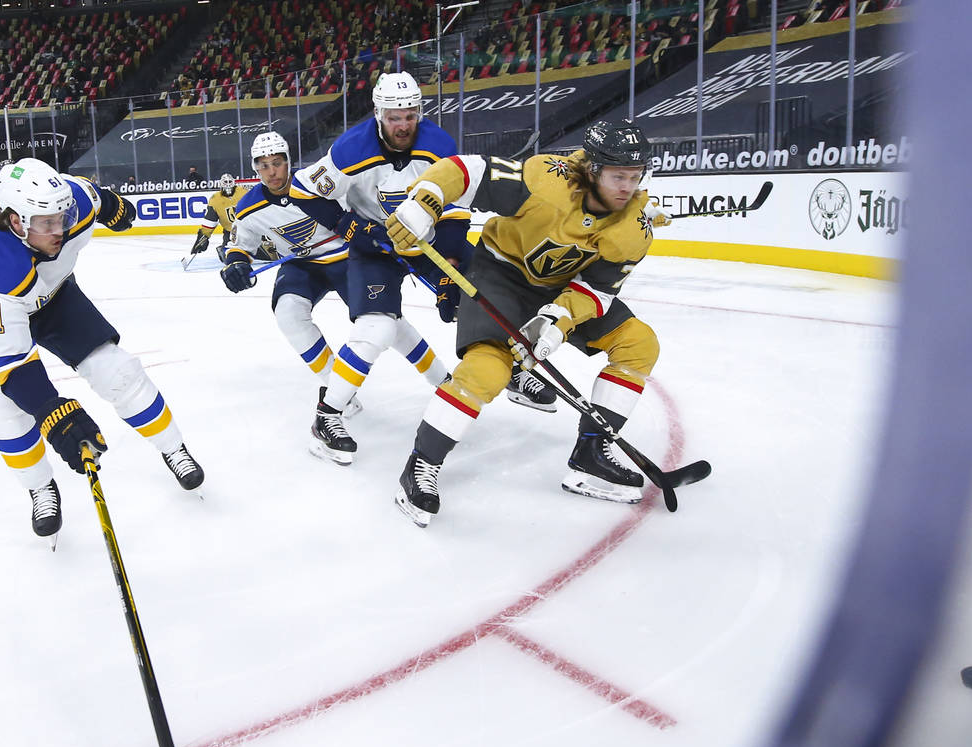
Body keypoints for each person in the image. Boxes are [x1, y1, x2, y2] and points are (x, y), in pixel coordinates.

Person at [384, 119, 672, 527]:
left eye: (635, 177)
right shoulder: (546, 181)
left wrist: (558, 321)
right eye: (617, 176)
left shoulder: (633, 231)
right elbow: (468, 171)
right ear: (591, 170)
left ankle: (590, 453)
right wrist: (424, 201)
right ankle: (420, 464)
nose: (627, 188)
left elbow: (598, 289)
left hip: (559, 290)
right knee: (487, 370)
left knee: (639, 343)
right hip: (500, 275)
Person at [0, 158, 204, 545]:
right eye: (46, 223)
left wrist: (113, 206)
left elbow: (96, 197)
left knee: (117, 371)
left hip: (50, 295)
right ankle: (39, 487)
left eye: (63, 216)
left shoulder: (73, 201)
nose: (60, 229)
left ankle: (173, 447)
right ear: (15, 221)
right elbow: (13, 364)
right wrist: (52, 414)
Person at [219, 132, 450, 455]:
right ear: (255, 169)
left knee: (390, 324)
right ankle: (337, 389)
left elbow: (359, 205)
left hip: (348, 259)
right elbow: (239, 246)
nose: (272, 172)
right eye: (264, 166)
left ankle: (442, 381)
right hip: (304, 266)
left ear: (288, 161)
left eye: (278, 163)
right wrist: (235, 265)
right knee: (288, 313)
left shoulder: (316, 182)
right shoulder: (248, 207)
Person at [286, 71, 474, 465]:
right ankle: (328, 415)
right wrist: (347, 225)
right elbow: (302, 190)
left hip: (428, 238)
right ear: (378, 114)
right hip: (374, 245)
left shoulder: (439, 144)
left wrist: (450, 267)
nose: (403, 124)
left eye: (409, 115)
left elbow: (455, 208)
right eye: (394, 117)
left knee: (481, 289)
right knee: (379, 327)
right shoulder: (351, 148)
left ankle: (512, 374)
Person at [190, 173, 247, 263]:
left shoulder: (243, 192)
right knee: (232, 258)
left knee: (269, 254)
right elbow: (209, 221)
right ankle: (223, 249)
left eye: (229, 182)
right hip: (231, 233)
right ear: (221, 184)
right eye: (225, 182)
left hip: (249, 230)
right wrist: (202, 238)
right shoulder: (215, 199)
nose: (228, 184)